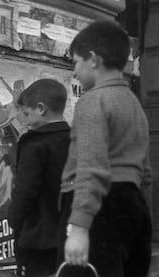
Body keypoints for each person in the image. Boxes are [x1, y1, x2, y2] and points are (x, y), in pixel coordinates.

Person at [57, 20, 152, 277]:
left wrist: (78, 227)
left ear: (93, 59)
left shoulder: (92, 101)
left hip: (98, 210)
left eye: (76, 62)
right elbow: (145, 175)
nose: (74, 72)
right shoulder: (134, 105)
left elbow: (91, 167)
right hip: (133, 206)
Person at [8, 79, 70, 277]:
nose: (24, 120)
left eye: (26, 114)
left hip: (39, 237)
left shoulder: (34, 144)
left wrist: (14, 219)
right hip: (70, 232)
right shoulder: (75, 139)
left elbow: (25, 190)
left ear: (41, 109)